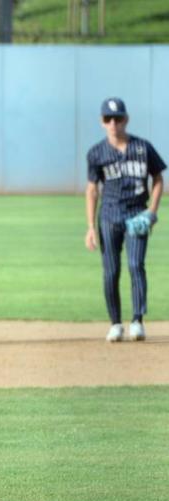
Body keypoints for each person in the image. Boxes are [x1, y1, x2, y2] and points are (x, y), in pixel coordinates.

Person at [85, 97, 165, 342]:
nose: (113, 123)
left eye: (118, 118)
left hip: (137, 213)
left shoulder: (143, 148)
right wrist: (90, 227)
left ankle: (137, 321)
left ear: (126, 119)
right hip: (109, 215)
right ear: (101, 122)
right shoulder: (96, 153)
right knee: (111, 270)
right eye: (108, 119)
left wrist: (152, 210)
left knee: (135, 265)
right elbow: (92, 189)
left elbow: (158, 179)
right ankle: (115, 323)